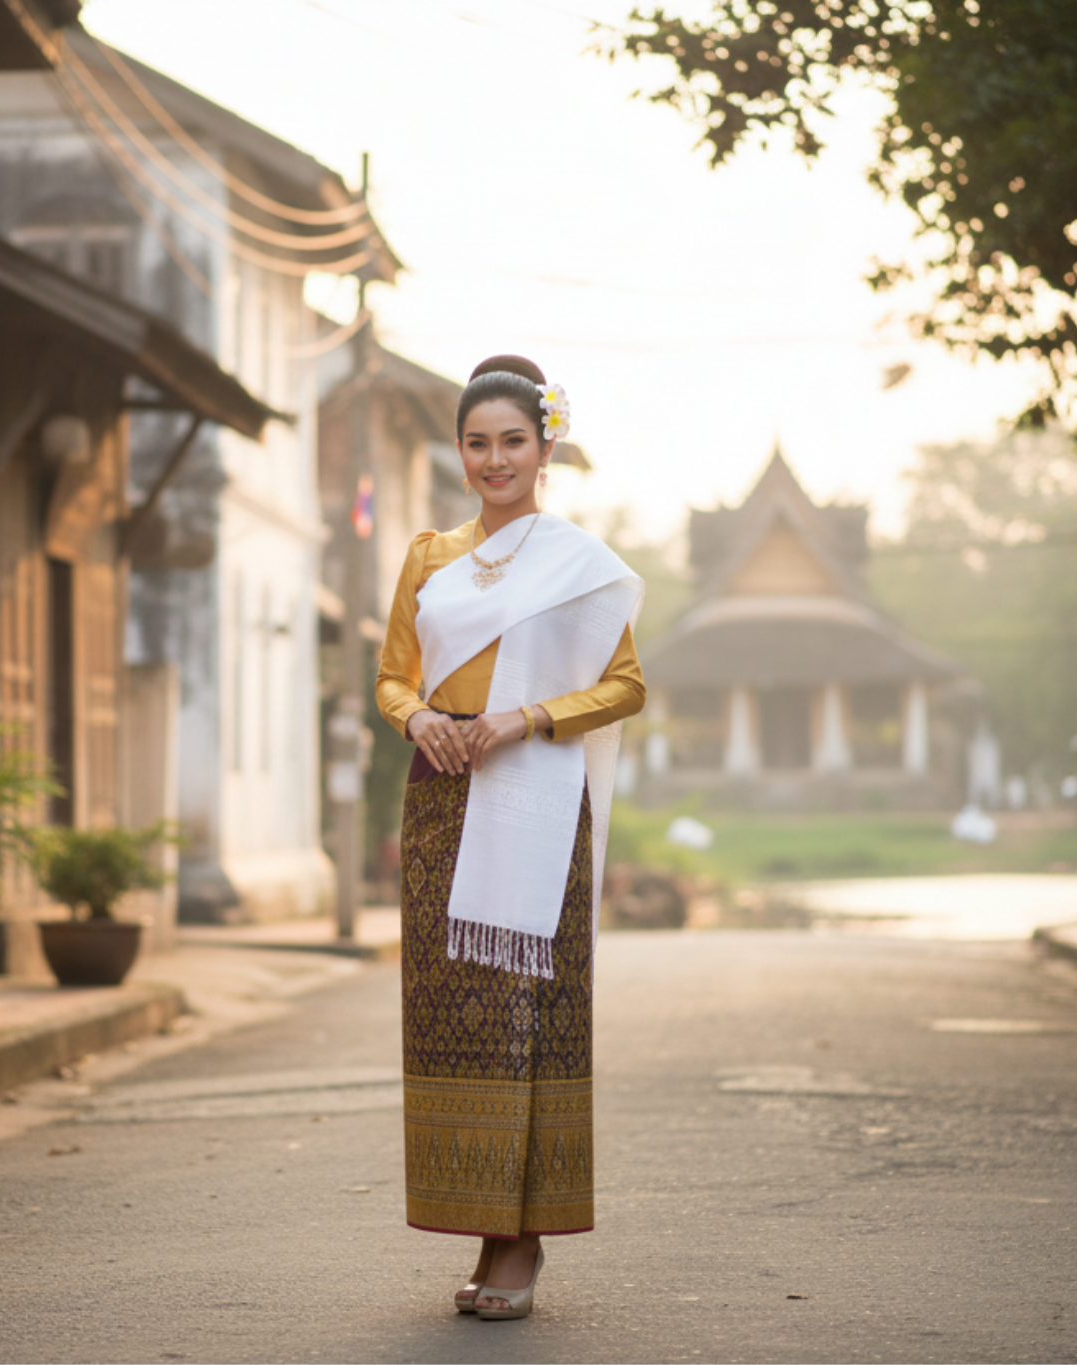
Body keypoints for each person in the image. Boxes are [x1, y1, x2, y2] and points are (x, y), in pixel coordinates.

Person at [375, 354, 645, 1321]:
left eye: (513, 442)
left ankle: (522, 1241)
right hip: (441, 796)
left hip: (535, 797)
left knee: (529, 1011)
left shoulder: (578, 565)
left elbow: (625, 686)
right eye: (478, 443)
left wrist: (525, 717)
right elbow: (393, 676)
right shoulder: (429, 556)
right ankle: (480, 1219)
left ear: (545, 448)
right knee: (455, 1014)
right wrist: (420, 720)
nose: (496, 460)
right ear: (460, 452)